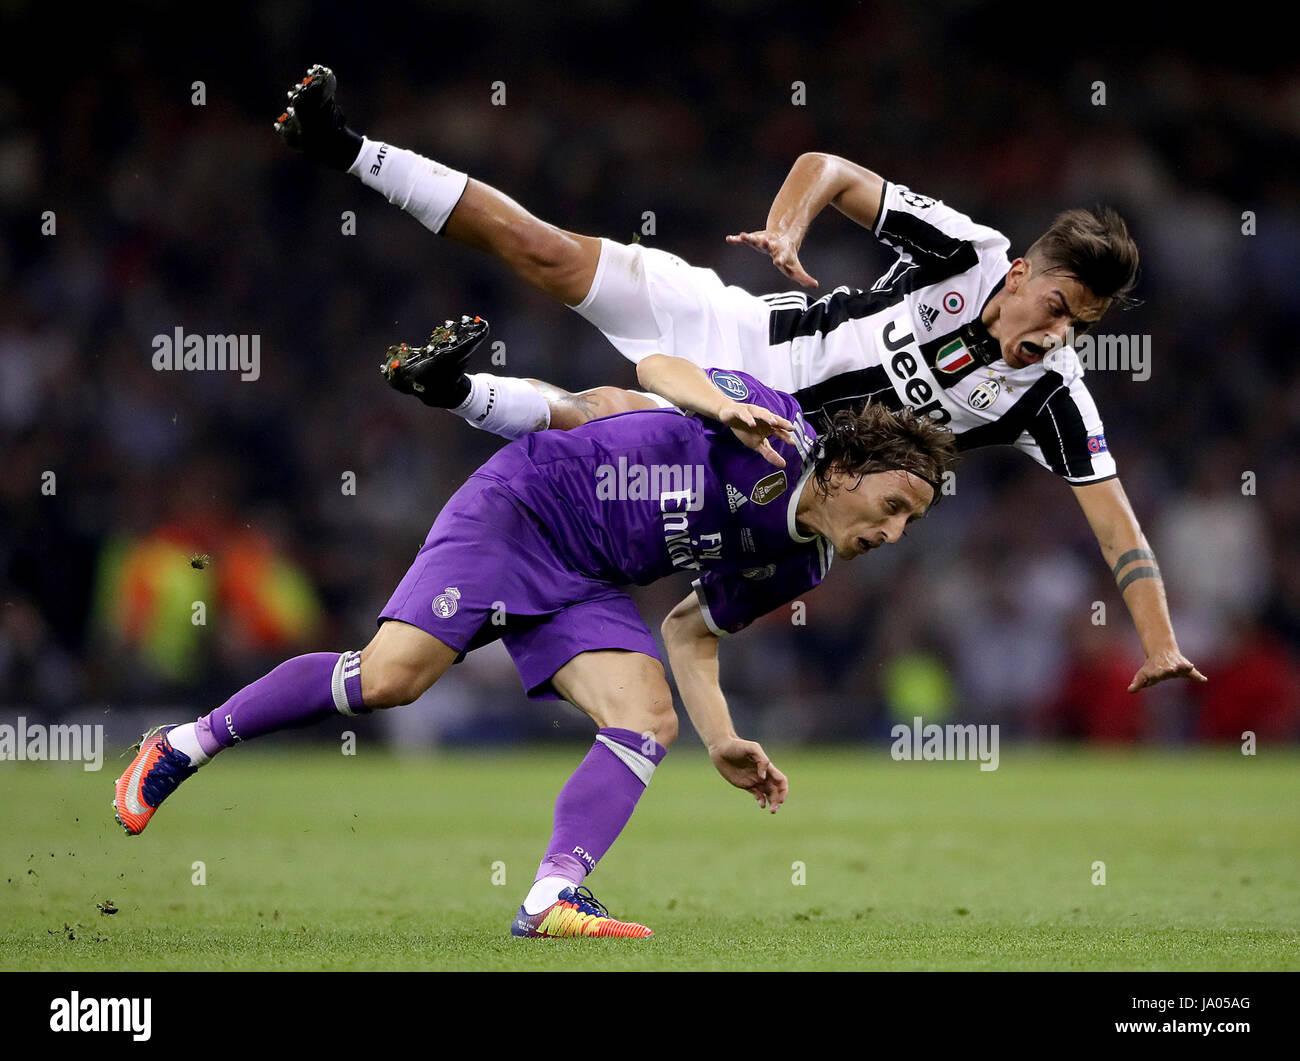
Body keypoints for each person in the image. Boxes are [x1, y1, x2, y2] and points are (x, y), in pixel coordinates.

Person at [274, 65, 1206, 696]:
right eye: (1055, 306)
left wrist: (1158, 639)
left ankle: (467, 393)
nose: (1055, 334)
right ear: (1022, 276)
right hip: (739, 327)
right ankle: (346, 148)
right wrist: (790, 226)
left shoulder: (1053, 394)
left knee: (619, 415)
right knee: (547, 253)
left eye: (1077, 326)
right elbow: (828, 166)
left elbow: (1115, 519)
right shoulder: (968, 253)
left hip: (773, 453)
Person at [113, 349, 956, 938]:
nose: (894, 530)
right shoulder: (771, 429)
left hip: (588, 578)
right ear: (848, 471)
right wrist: (719, 403)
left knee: (647, 716)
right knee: (391, 680)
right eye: (893, 506)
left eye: (910, 523)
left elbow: (689, 630)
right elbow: (655, 370)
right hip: (523, 508)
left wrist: (725, 737)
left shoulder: (798, 564)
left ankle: (553, 895)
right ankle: (183, 744)